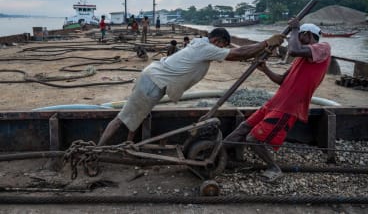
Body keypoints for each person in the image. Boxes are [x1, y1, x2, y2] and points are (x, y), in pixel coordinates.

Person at [97, 28, 285, 145]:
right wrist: (266, 43)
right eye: (221, 46)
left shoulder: (200, 43)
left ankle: (129, 146)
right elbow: (236, 54)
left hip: (153, 79)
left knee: (138, 115)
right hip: (153, 83)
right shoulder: (205, 48)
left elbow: (238, 52)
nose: (221, 49)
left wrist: (261, 48)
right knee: (122, 118)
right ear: (217, 41)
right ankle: (96, 151)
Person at [224, 19, 331, 182]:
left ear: (308, 35)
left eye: (299, 35)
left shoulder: (323, 48)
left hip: (288, 108)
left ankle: (274, 167)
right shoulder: (300, 59)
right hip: (274, 103)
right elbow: (282, 80)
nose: (295, 40)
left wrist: (294, 28)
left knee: (253, 139)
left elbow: (294, 49)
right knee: (243, 127)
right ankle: (217, 152)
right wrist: (265, 69)